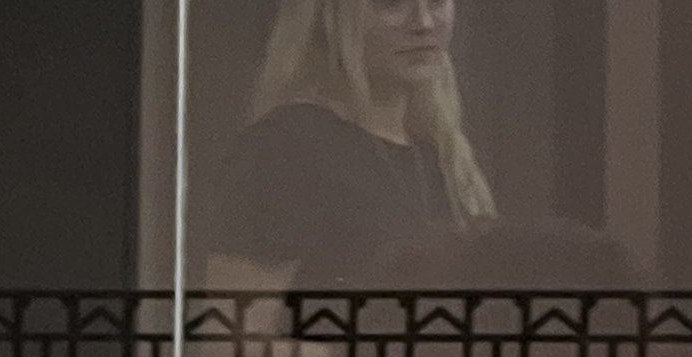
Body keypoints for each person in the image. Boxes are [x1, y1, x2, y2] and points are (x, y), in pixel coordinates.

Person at [206, 0, 493, 288]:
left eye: (436, 2)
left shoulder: (441, 155)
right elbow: (239, 315)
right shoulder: (287, 146)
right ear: (334, 20)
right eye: (391, 4)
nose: (424, 23)